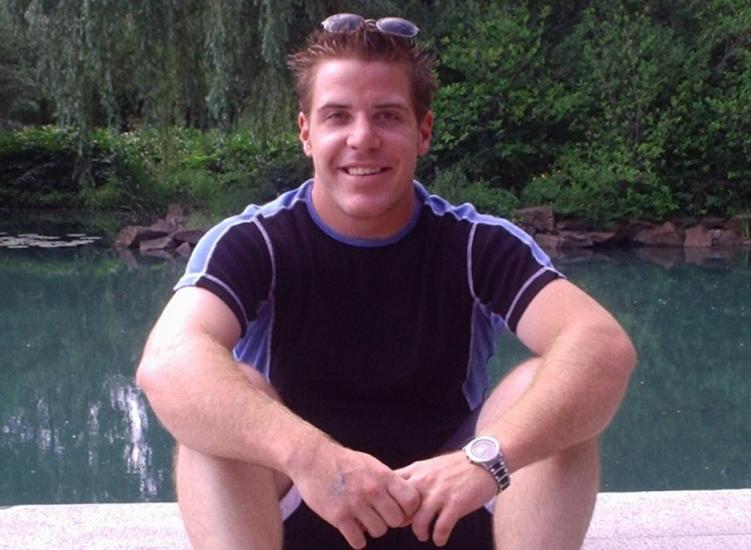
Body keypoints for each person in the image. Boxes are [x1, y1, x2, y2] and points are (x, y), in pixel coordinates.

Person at [136, 13, 636, 550]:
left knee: (553, 394)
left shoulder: (477, 244)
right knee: (218, 407)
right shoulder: (254, 242)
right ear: (306, 133)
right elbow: (169, 363)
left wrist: (484, 461)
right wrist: (313, 457)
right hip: (299, 509)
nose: (362, 138)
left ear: (423, 132)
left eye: (388, 116)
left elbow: (600, 346)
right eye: (337, 116)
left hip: (449, 510)